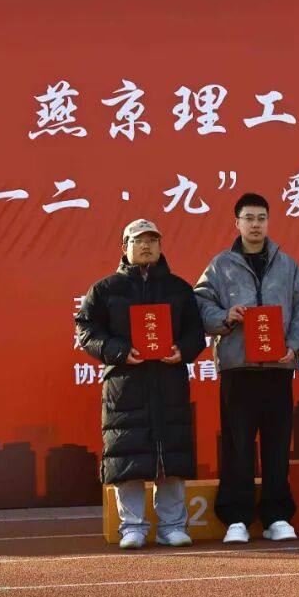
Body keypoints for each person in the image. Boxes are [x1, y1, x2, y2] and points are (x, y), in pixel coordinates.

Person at [75, 219, 207, 549]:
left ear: (161, 246)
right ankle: (132, 527)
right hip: (125, 386)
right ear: (125, 247)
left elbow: (196, 332)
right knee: (128, 456)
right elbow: (86, 332)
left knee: (169, 458)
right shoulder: (105, 290)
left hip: (169, 384)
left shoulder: (179, 289)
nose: (146, 245)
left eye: (152, 240)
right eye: (138, 240)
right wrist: (118, 351)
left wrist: (183, 350)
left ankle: (172, 526)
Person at [194, 193, 299, 544]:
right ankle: (237, 517)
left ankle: (277, 515)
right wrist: (224, 317)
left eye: (261, 218)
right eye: (249, 218)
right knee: (239, 446)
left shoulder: (287, 265)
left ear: (268, 221)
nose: (256, 224)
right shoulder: (220, 265)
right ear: (237, 223)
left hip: (278, 368)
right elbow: (199, 302)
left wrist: (294, 345)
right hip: (239, 369)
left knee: (277, 445)